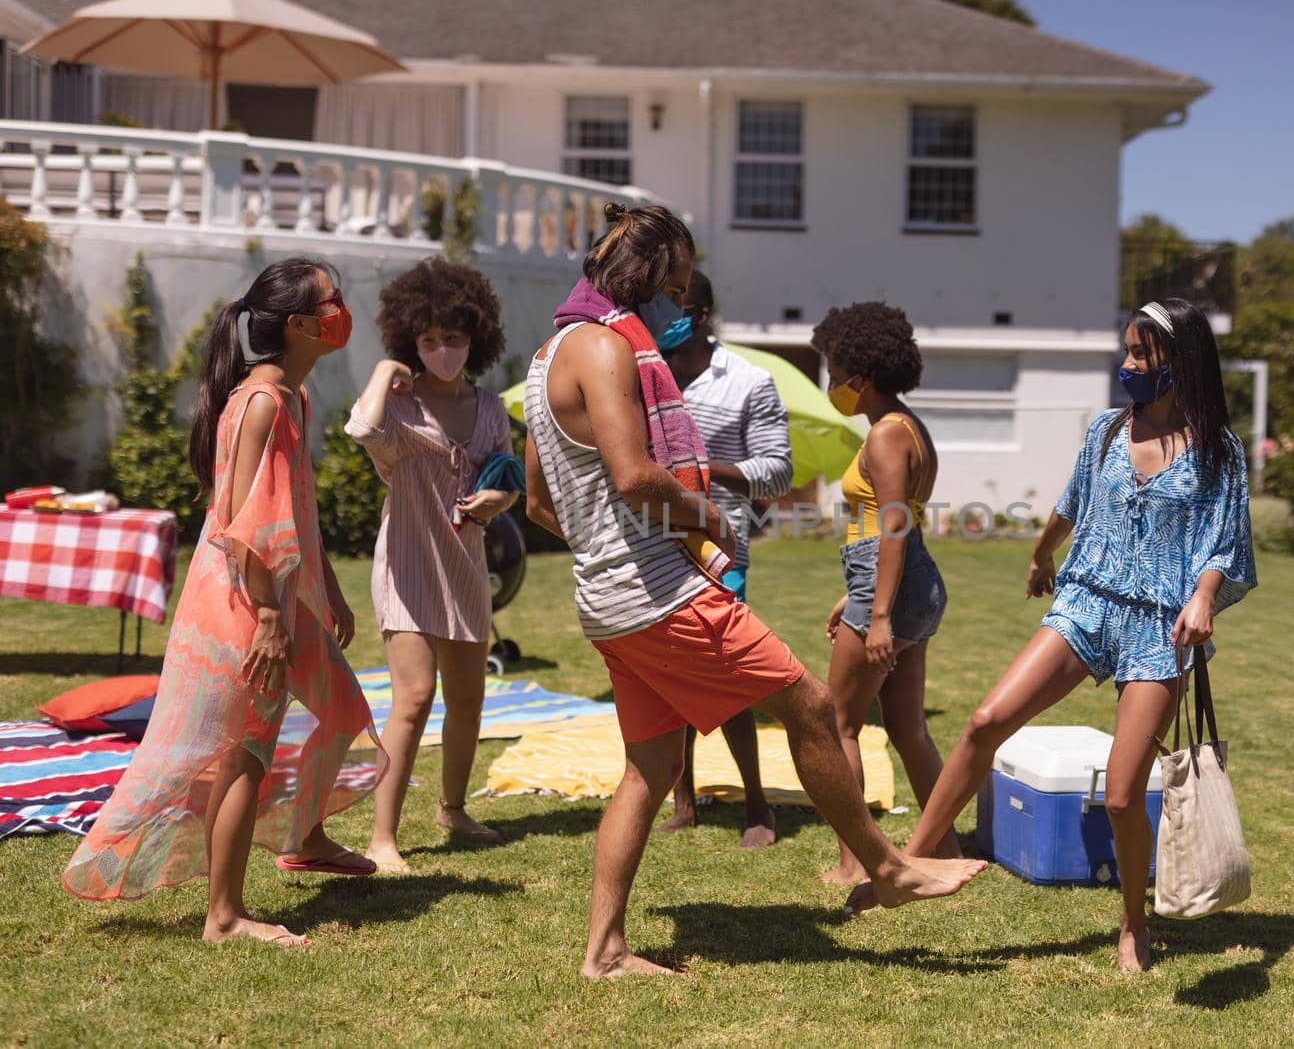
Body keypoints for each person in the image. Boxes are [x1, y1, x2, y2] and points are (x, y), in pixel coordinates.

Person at [523, 202, 986, 978]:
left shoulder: (545, 357)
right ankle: (889, 867)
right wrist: (708, 517)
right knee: (810, 704)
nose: (681, 303)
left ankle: (604, 950)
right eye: (674, 284)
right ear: (644, 277)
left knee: (649, 768)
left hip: (608, 601)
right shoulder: (604, 348)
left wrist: (611, 548)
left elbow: (541, 500)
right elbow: (637, 475)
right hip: (662, 596)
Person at [844, 299, 1256, 974]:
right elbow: (1072, 501)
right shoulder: (1103, 431)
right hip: (1087, 602)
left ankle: (1132, 921)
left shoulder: (1218, 449)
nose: (1126, 365)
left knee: (1123, 793)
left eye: (1140, 355)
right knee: (983, 720)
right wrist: (1041, 553)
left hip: (1158, 624)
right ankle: (909, 867)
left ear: (1178, 363)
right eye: (1126, 350)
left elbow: (1224, 541)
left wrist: (1204, 596)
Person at [61, 258, 383, 945]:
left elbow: (290, 506)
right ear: (298, 326)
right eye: (330, 303)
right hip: (245, 605)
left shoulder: (283, 398)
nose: (340, 311)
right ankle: (225, 915)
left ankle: (307, 837)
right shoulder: (263, 401)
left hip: (275, 595)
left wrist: (323, 586)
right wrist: (270, 619)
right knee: (243, 754)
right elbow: (245, 523)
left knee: (343, 706)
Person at [347, 258, 521, 874]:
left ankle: (453, 808)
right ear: (409, 341)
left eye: (452, 337)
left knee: (470, 699)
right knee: (415, 698)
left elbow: (508, 477)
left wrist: (498, 500)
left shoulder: (492, 407)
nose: (442, 349)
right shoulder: (396, 401)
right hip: (407, 565)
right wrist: (386, 368)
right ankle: (382, 837)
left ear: (475, 337)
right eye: (427, 340)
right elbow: (362, 428)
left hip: (465, 562)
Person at [809, 302, 960, 885]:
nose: (831, 383)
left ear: (862, 376)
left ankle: (855, 864)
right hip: (905, 581)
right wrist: (857, 597)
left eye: (833, 369)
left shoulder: (883, 436)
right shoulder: (910, 425)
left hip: (889, 584)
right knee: (907, 728)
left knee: (839, 726)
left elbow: (891, 525)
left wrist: (875, 616)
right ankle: (946, 848)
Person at [655, 270, 792, 847]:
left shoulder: (749, 382)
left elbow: (778, 472)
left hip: (720, 548)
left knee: (727, 670)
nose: (662, 318)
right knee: (668, 676)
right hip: (655, 545)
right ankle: (683, 800)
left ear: (702, 314)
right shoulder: (643, 376)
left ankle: (758, 804)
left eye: (673, 307)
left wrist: (707, 473)